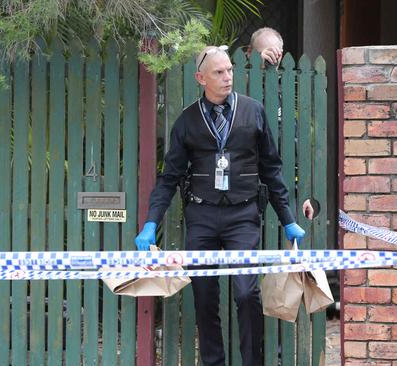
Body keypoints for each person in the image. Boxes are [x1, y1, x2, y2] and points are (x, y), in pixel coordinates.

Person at [134, 45, 305, 366]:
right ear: (201, 78)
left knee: (245, 293)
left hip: (243, 215)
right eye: (219, 72)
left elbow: (272, 169)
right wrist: (150, 223)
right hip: (202, 216)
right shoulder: (186, 121)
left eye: (229, 70)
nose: (227, 77)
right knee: (204, 294)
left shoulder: (253, 112)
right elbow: (169, 177)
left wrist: (288, 219)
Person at [249, 27, 317, 221]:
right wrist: (257, 66)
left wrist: (305, 191)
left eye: (275, 52)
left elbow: (303, 144)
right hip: (249, 187)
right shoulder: (238, 82)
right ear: (249, 53)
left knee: (290, 241)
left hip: (286, 184)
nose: (272, 58)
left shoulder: (290, 89)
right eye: (265, 52)